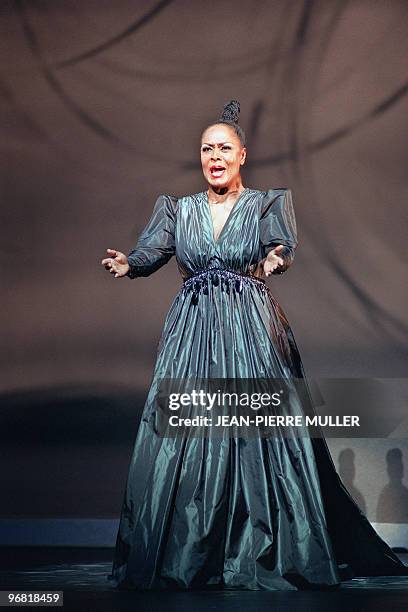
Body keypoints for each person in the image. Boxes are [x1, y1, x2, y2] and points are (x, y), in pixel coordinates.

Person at [101, 100, 408, 591]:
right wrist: (129, 265)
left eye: (224, 148)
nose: (214, 156)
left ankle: (265, 547)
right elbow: (152, 250)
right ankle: (189, 553)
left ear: (242, 154)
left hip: (249, 328)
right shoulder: (177, 209)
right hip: (194, 331)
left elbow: (279, 249)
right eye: (207, 149)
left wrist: (275, 262)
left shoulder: (266, 203)